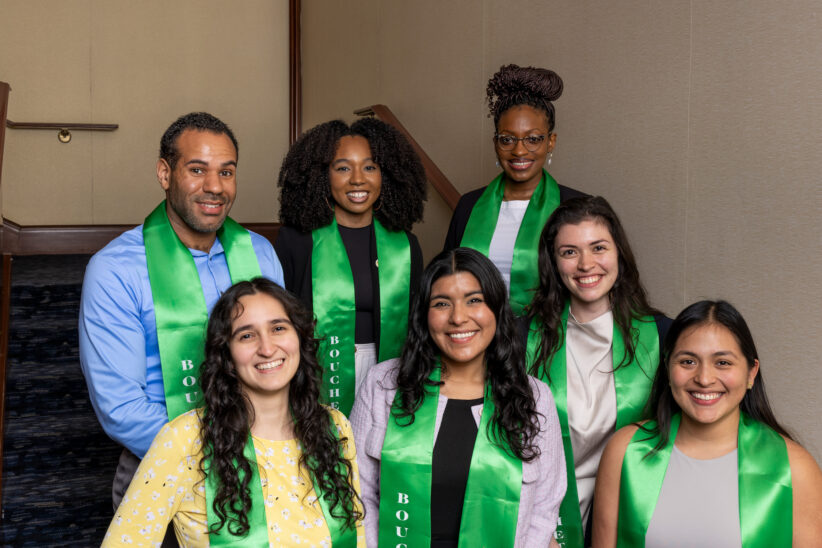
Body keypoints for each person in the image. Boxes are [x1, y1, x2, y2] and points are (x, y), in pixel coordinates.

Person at [79, 112, 284, 515]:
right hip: (163, 465)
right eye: (197, 170)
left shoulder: (259, 254)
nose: (214, 187)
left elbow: (280, 356)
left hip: (266, 464)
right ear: (164, 173)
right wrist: (223, 452)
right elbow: (119, 406)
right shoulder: (116, 269)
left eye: (227, 172)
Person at [103, 278, 365, 547]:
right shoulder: (185, 439)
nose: (266, 348)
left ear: (299, 337)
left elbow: (358, 537)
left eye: (278, 328)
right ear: (225, 352)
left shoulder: (334, 426)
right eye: (247, 335)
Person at [350, 247, 566, 547]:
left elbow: (544, 509)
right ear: (424, 314)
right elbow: (357, 493)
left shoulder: (534, 398)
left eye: (474, 300)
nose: (458, 318)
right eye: (442, 304)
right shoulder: (382, 385)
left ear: (496, 309)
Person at [593, 300, 822, 547]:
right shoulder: (625, 451)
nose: (704, 379)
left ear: (751, 373)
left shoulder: (794, 468)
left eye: (722, 362)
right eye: (688, 362)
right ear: (668, 368)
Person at [524, 196, 670, 547]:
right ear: (554, 263)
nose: (586, 264)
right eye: (570, 252)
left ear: (619, 252)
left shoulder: (665, 337)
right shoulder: (520, 339)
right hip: (541, 516)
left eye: (598, 247)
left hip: (632, 511)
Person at [274, 117, 426, 415]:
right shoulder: (298, 241)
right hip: (316, 370)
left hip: (389, 369)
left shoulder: (405, 246)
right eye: (343, 168)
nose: (358, 179)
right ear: (322, 176)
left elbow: (418, 324)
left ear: (387, 174)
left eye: (370, 167)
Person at [444, 63, 586, 315]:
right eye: (507, 139)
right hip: (475, 341)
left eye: (533, 139)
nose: (519, 151)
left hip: (550, 343)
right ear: (495, 142)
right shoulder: (468, 206)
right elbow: (445, 281)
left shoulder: (577, 207)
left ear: (551, 142)